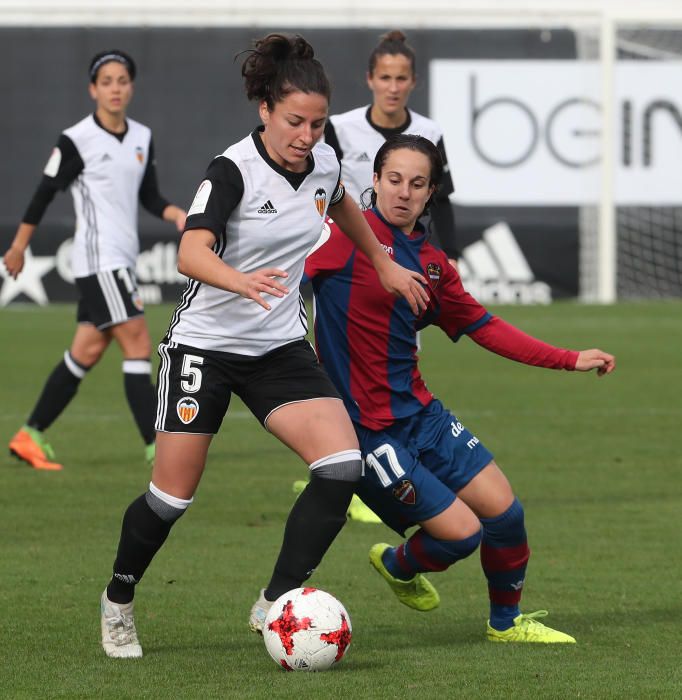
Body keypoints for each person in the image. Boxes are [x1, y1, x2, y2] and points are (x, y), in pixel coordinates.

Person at [98, 34, 429, 658]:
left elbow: (343, 207)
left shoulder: (326, 160)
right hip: (205, 347)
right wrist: (239, 280)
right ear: (265, 112)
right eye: (294, 121)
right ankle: (118, 600)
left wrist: (383, 262)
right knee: (171, 498)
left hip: (276, 347)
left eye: (318, 122)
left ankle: (274, 601)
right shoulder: (232, 170)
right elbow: (191, 252)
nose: (306, 135)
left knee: (340, 469)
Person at [297, 134, 616, 643]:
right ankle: (401, 562)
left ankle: (504, 624)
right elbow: (281, 280)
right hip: (364, 429)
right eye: (394, 179)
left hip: (422, 415)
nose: (403, 192)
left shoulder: (431, 264)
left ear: (431, 194)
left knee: (506, 514)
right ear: (374, 180)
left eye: (417, 184)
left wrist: (568, 358)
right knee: (463, 534)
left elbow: (484, 326)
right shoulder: (340, 236)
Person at [4, 49, 186, 471]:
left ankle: (29, 435)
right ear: (93, 89)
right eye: (106, 81)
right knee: (139, 344)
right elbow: (43, 193)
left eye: (122, 80)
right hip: (98, 260)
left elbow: (148, 195)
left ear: (131, 86)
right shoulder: (76, 139)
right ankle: (156, 446)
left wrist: (175, 212)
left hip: (120, 260)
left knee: (85, 351)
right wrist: (17, 246)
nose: (115, 88)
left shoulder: (141, 136)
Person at [324, 29, 459, 263]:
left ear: (413, 81)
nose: (393, 88)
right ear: (370, 79)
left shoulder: (429, 131)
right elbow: (323, 190)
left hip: (405, 248)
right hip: (349, 246)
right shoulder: (339, 128)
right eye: (385, 77)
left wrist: (452, 256)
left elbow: (442, 199)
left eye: (401, 78)